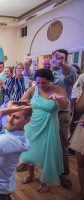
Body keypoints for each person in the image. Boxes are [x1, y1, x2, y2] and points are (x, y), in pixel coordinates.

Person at [19, 69, 68, 192]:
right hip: (32, 123)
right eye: (38, 82)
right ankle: (30, 174)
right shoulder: (33, 89)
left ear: (50, 80)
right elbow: (21, 102)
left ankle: (45, 180)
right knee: (30, 150)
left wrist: (58, 98)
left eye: (44, 83)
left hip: (49, 124)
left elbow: (64, 107)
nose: (41, 85)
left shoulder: (59, 90)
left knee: (46, 153)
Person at [51, 49, 78, 189]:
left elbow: (70, 78)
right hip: (47, 112)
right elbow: (32, 77)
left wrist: (62, 64)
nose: (56, 59)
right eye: (54, 57)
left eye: (60, 57)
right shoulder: (50, 72)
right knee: (46, 142)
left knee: (62, 144)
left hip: (61, 113)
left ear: (65, 59)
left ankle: (65, 173)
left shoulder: (69, 70)